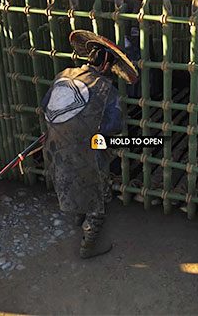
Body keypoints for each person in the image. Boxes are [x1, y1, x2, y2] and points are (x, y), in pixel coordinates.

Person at [40, 30, 138, 259]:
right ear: (106, 65)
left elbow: (45, 105)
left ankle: (78, 217)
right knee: (97, 194)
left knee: (72, 180)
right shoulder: (106, 88)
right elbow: (114, 125)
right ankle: (89, 245)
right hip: (86, 153)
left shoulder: (63, 74)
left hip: (55, 146)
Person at [124, 0, 144, 98]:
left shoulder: (143, 1)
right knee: (132, 66)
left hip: (142, 38)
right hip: (130, 38)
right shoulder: (127, 1)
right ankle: (132, 94)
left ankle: (141, 93)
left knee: (143, 65)